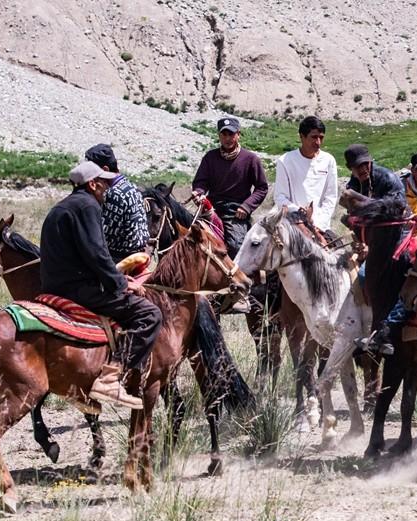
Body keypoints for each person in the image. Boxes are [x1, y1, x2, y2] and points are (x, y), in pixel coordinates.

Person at [39, 162, 163, 410]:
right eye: (103, 183)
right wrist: (121, 284)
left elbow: (86, 257)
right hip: (80, 290)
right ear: (92, 184)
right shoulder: (88, 206)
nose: (107, 188)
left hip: (54, 287)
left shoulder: (61, 207)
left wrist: (118, 277)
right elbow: (97, 254)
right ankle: (110, 377)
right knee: (150, 314)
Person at [354, 151, 417, 356]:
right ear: (412, 170)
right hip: (396, 238)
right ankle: (372, 319)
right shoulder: (400, 187)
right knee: (363, 274)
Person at [191, 117, 269, 258]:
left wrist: (246, 207)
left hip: (235, 212)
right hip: (211, 208)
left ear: (238, 134)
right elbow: (200, 182)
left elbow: (261, 187)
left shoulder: (251, 159)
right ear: (219, 136)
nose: (228, 138)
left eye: (231, 134)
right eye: (224, 134)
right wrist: (198, 192)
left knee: (235, 246)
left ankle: (237, 279)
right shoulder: (210, 157)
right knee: (189, 239)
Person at [83, 144, 149, 263]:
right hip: (139, 252)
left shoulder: (114, 194)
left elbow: (103, 237)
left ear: (105, 170)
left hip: (120, 258)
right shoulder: (131, 186)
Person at [273, 116, 339, 232]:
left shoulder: (329, 160)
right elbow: (280, 197)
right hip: (292, 224)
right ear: (302, 137)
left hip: (320, 225)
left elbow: (331, 197)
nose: (318, 142)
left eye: (321, 138)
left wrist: (319, 224)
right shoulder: (285, 161)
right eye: (314, 137)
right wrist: (300, 211)